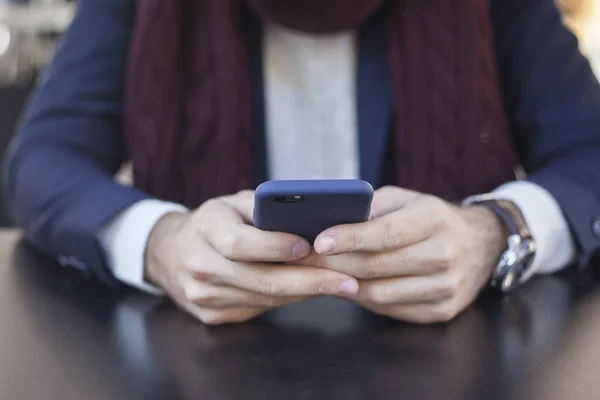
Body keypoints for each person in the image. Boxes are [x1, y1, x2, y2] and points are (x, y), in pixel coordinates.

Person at [4, 0, 600, 325]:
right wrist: (161, 244)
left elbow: (589, 151)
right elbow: (42, 161)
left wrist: (493, 232)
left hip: (454, 353)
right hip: (201, 357)